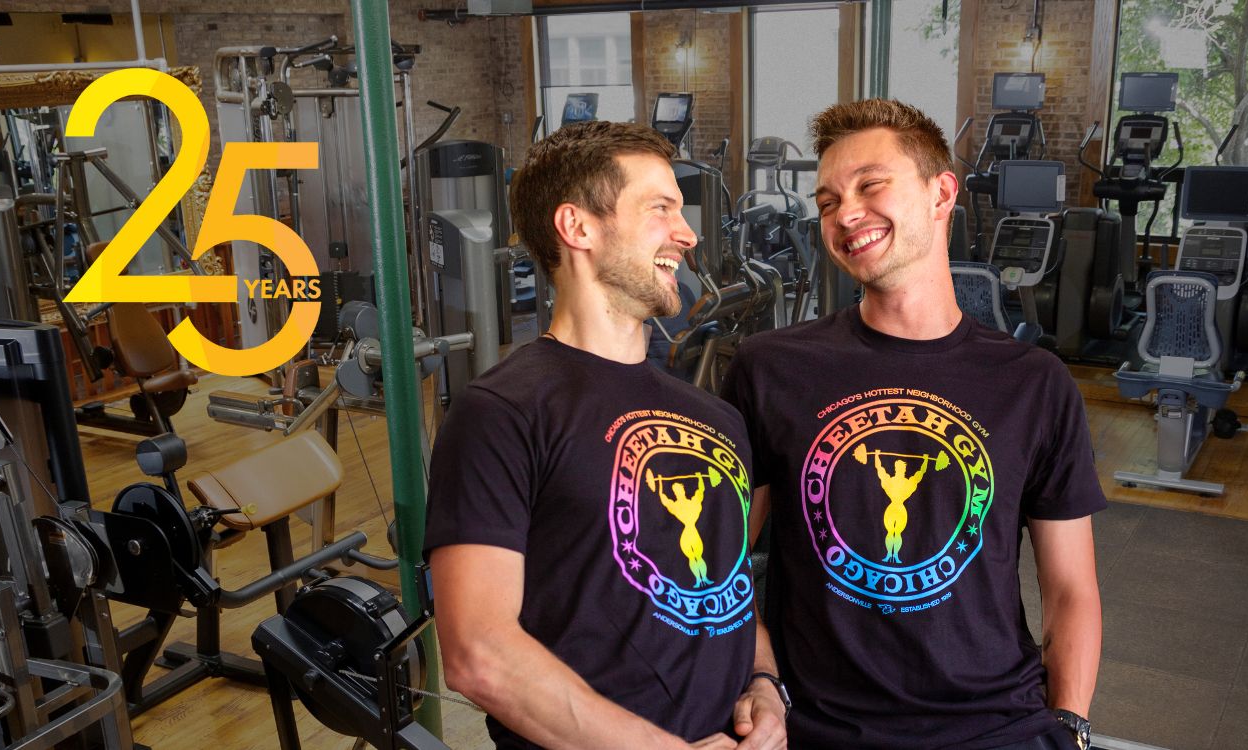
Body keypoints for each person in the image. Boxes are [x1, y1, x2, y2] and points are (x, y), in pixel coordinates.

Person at [721, 99, 1105, 750]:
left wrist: (1068, 726)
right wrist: (760, 680)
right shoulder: (770, 370)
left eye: (871, 185)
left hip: (997, 726)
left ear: (941, 193)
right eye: (827, 201)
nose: (845, 213)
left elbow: (1071, 589)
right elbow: (717, 571)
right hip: (819, 727)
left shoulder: (1033, 383)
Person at [427, 120, 787, 750]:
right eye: (661, 209)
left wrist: (765, 685)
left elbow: (728, 592)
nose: (688, 232)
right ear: (578, 228)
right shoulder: (502, 413)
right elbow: (478, 653)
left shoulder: (717, 419)